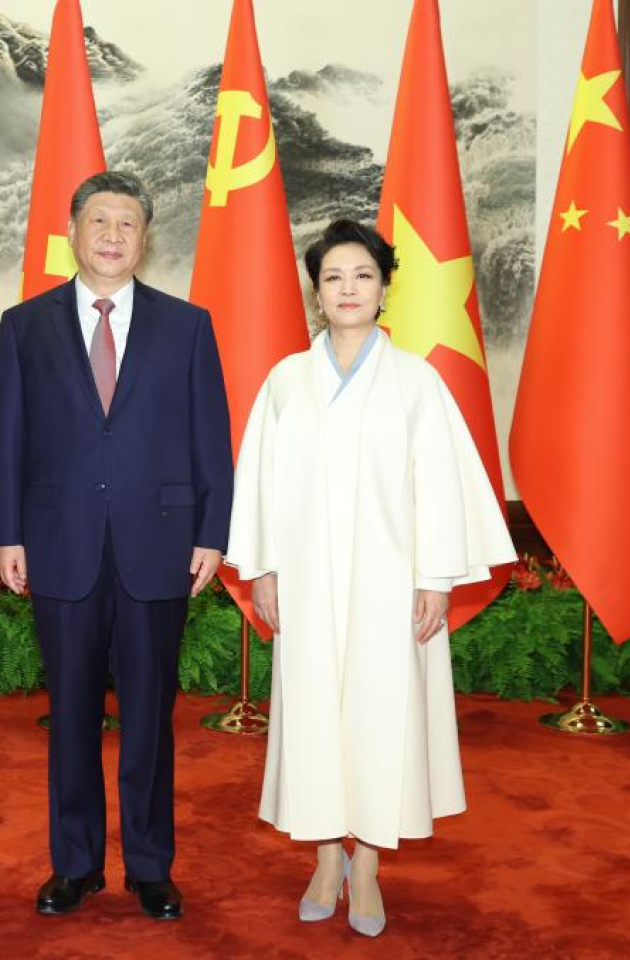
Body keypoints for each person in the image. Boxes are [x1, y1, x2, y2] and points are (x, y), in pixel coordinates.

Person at [225, 219, 515, 937]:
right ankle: (327, 854)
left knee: (387, 715)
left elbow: (442, 486)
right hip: (305, 580)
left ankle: (370, 866)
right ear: (315, 292)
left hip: (393, 583)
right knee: (316, 709)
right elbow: (258, 480)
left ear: (385, 287)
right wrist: (261, 567)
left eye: (362, 275)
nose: (348, 289)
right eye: (333, 278)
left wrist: (437, 577)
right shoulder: (286, 382)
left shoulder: (417, 382)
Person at [0, 171, 233, 920]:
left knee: (152, 717)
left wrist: (212, 535)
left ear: (145, 237)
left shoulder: (187, 325)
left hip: (158, 548)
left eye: (128, 224)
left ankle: (151, 866)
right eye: (100, 221)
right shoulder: (24, 324)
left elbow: (210, 440)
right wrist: (7, 535)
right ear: (73, 231)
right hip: (60, 547)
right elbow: (6, 441)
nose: (113, 236)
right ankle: (76, 864)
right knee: (69, 717)